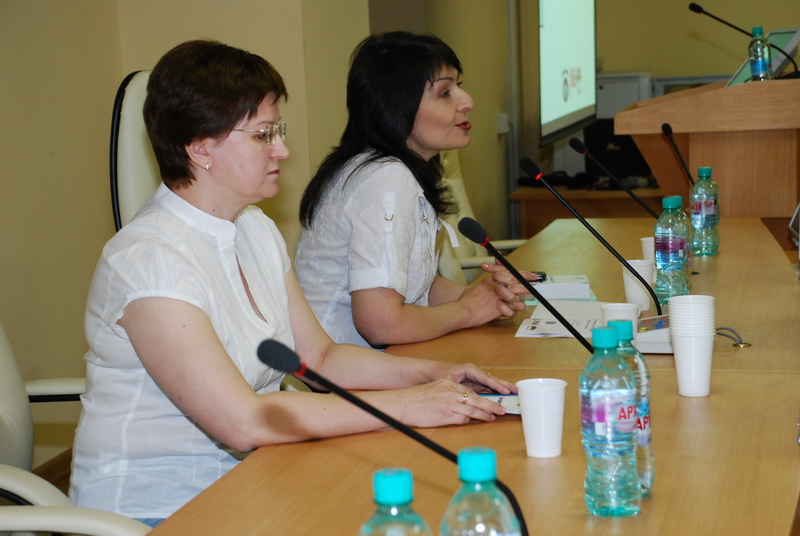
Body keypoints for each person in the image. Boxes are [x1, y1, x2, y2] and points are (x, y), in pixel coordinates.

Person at [68, 40, 516, 526]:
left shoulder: (253, 227)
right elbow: (242, 421)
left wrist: (432, 375)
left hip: (251, 479)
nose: (282, 149)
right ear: (200, 147)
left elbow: (321, 359)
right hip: (157, 511)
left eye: (277, 131)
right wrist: (407, 405)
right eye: (263, 135)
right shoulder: (148, 258)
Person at [295, 32, 534, 349]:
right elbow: (381, 323)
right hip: (343, 370)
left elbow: (415, 286)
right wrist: (467, 310)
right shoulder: (386, 180)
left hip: (379, 360)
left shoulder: (385, 168)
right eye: (445, 92)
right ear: (398, 107)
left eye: (458, 86)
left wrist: (481, 296)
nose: (468, 102)